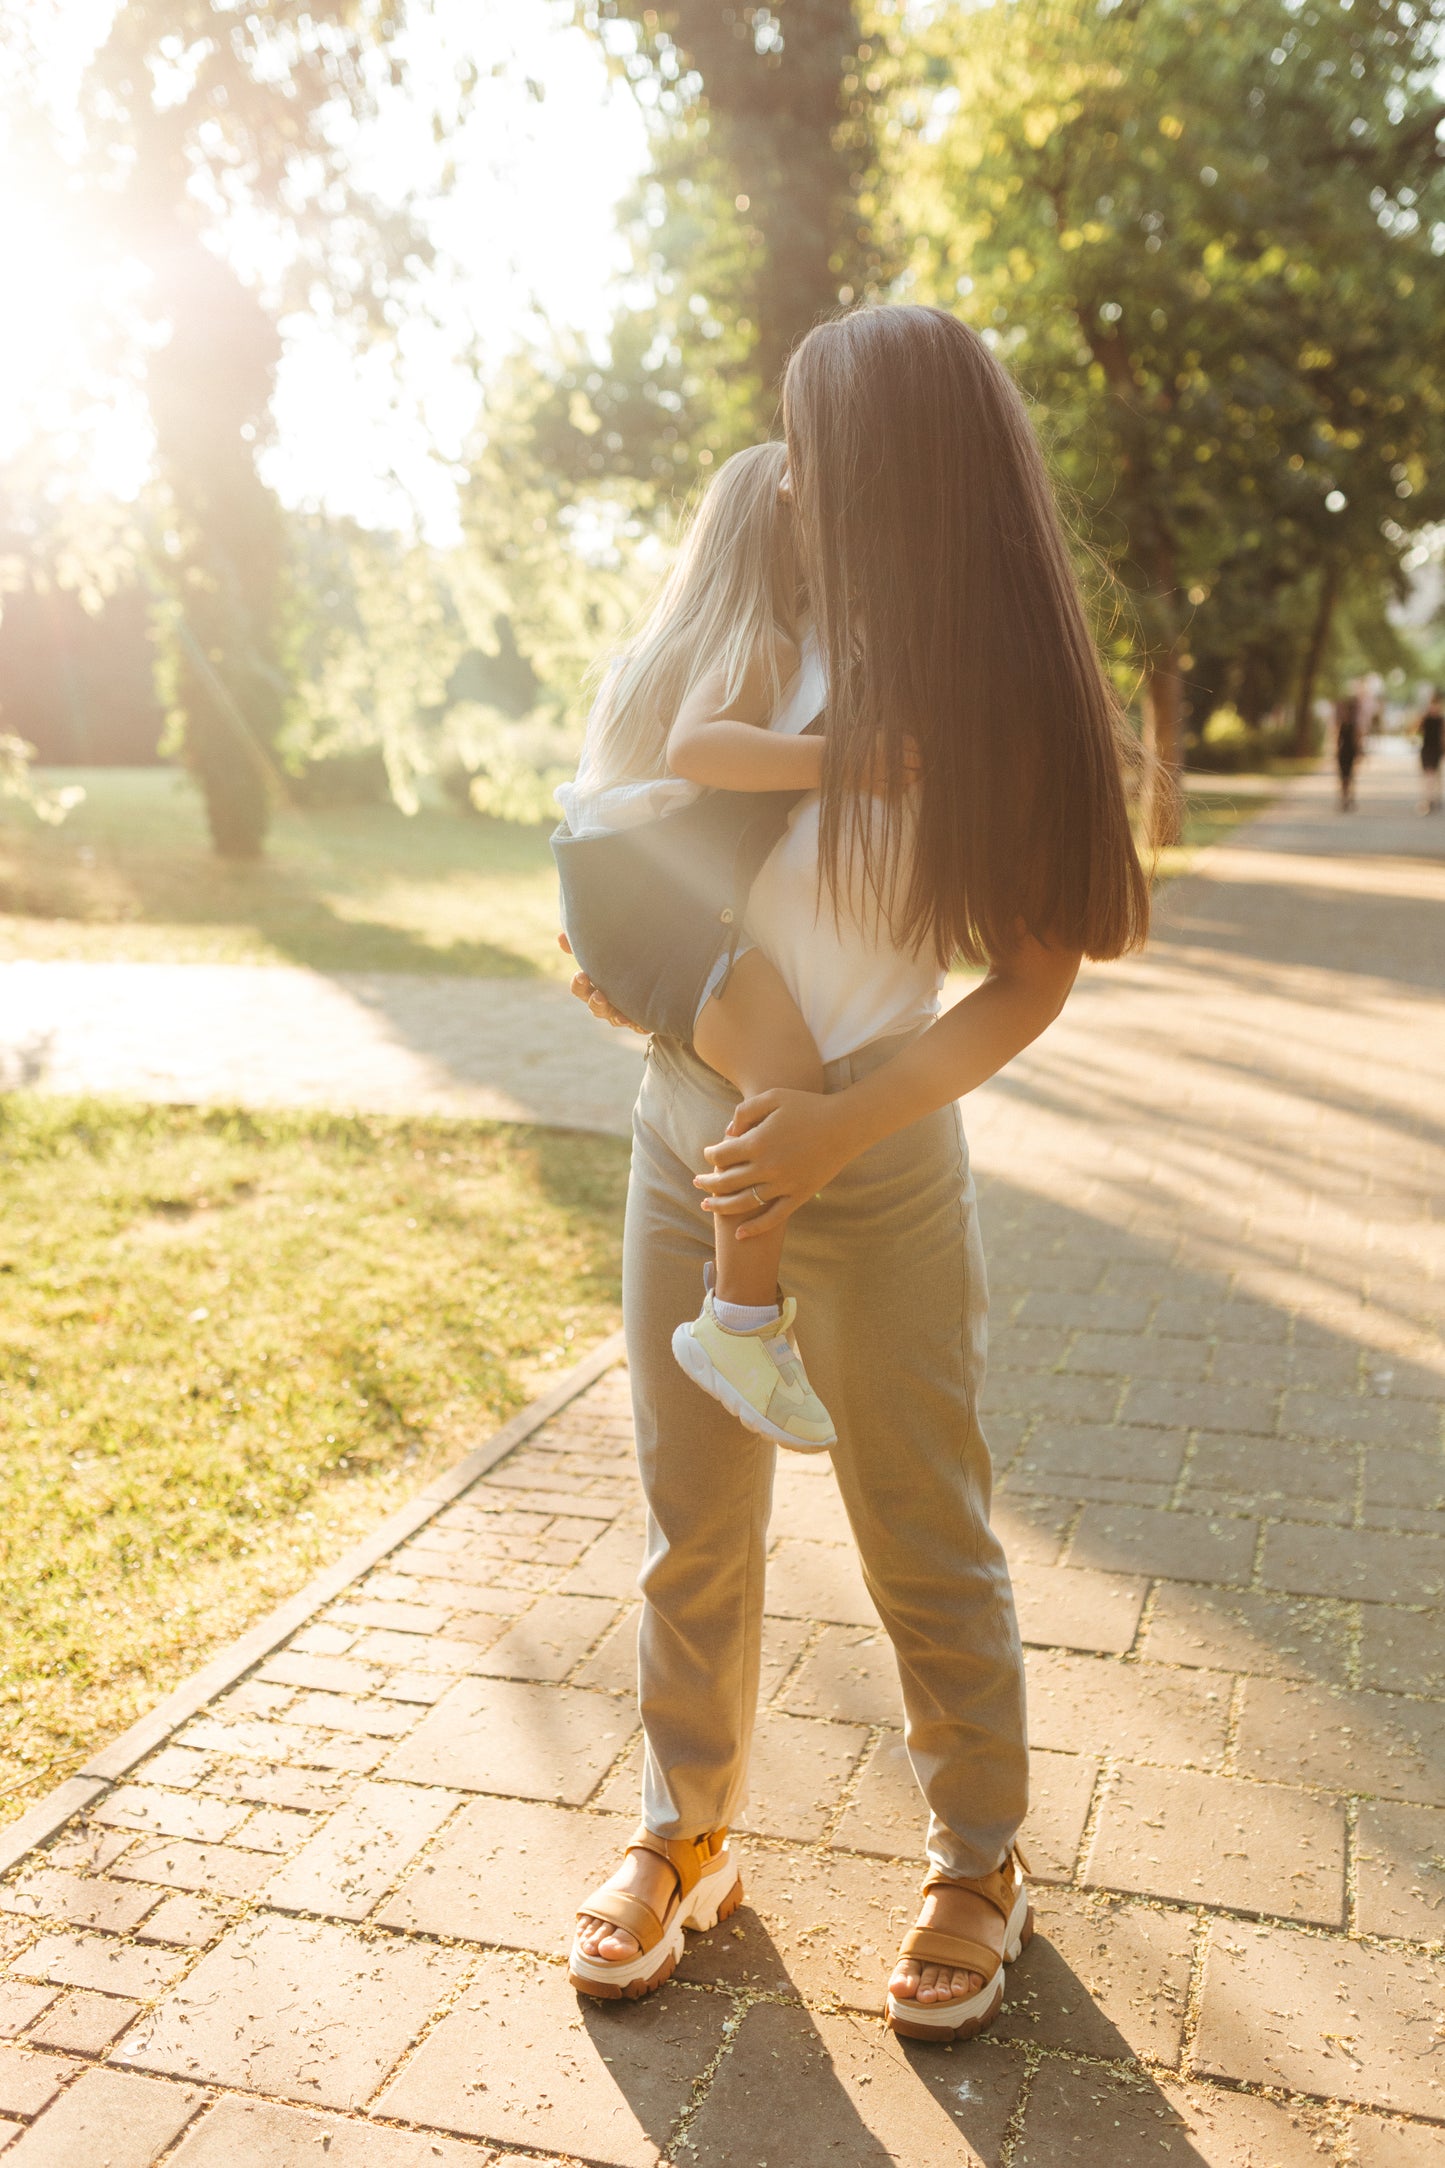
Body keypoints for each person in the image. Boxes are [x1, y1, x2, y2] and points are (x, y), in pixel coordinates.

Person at [566, 304, 1151, 2044]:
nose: (787, 481)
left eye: (819, 453)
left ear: (898, 475)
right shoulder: (765, 623)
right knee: (696, 1515)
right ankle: (688, 1828)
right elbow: (636, 822)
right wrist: (631, 970)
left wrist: (844, 1119)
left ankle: (980, 1855)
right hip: (693, 1124)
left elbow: (1034, 974)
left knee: (923, 1523)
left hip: (878, 1161)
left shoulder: (1006, 691)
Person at [556, 441, 849, 1454]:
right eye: (816, 519)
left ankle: (744, 1318)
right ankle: (738, 1324)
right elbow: (698, 751)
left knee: (762, 1072)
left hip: (614, 887)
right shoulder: (759, 642)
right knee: (785, 1072)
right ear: (776, 533)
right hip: (653, 897)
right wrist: (842, 760)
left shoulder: (673, 635)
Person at [1335, 690, 1362, 811]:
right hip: (1346, 752)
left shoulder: (1351, 725)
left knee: (1348, 776)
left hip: (1348, 752)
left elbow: (1356, 740)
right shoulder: (1346, 725)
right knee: (1346, 777)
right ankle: (1346, 798)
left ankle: (1348, 798)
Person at [1417, 689, 1443, 813]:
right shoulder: (1425, 718)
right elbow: (1416, 729)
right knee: (1429, 775)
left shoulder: (1440, 720)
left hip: (1435, 750)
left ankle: (1431, 798)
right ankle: (1429, 798)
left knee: (1433, 775)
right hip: (1427, 749)